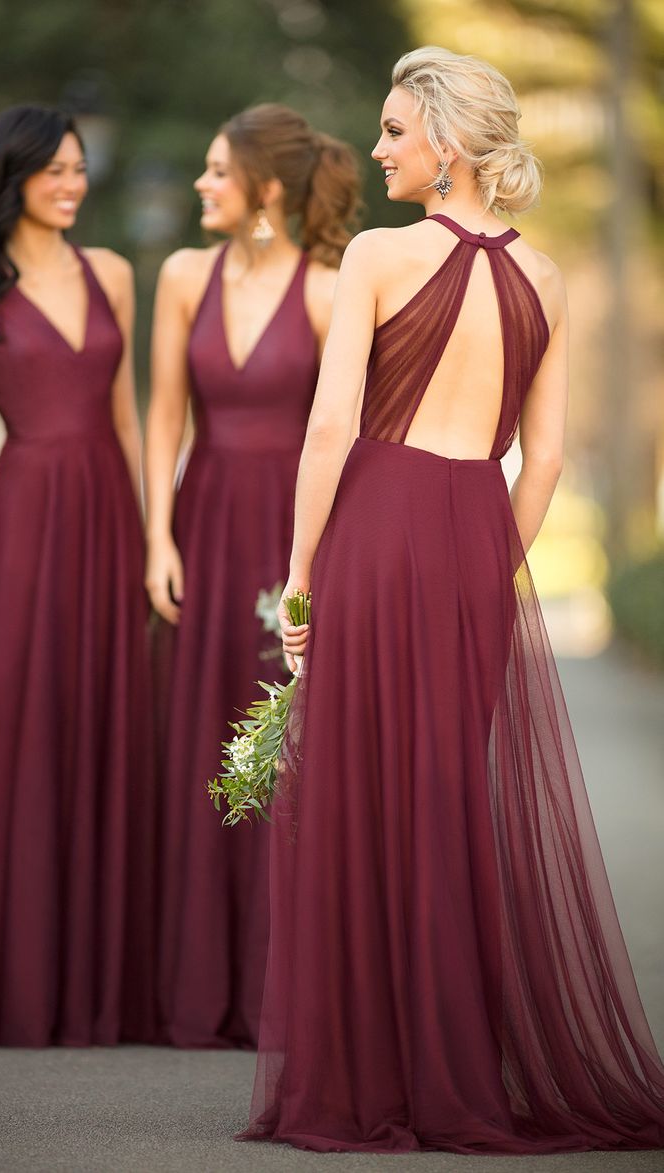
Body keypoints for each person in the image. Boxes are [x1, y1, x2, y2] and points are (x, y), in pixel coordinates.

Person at [243, 48, 664, 1152]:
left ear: (445, 141)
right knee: (441, 805)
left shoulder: (380, 255)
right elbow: (552, 455)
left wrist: (299, 571)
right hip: (479, 534)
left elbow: (332, 427)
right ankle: (448, 1068)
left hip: (376, 530)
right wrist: (490, 569)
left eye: (392, 130)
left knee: (351, 798)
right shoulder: (550, 277)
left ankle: (360, 1075)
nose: (378, 148)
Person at [0, 106, 155, 1046]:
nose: (72, 184)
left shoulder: (113, 274)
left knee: (103, 721)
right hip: (22, 522)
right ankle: (7, 983)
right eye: (54, 171)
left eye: (79, 169)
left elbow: (131, 415)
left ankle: (99, 985)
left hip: (108, 514)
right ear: (10, 177)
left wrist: (157, 535)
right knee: (17, 726)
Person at [146, 104, 360, 1048]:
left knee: (279, 741)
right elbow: (162, 417)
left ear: (266, 188)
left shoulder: (325, 288)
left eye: (215, 170)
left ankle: (285, 987)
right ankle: (196, 988)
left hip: (286, 535)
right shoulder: (184, 275)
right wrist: (157, 533)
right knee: (199, 734)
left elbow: (345, 432)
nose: (201, 184)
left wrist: (325, 563)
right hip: (202, 520)